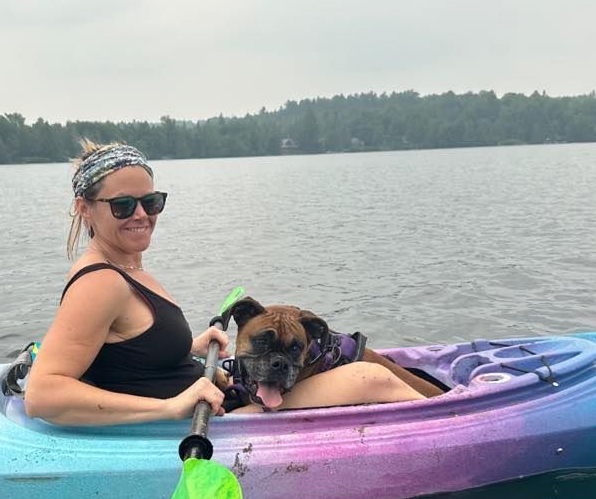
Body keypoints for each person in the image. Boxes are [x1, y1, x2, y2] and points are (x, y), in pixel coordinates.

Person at [24, 141, 425, 426]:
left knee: (326, 359)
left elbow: (125, 352)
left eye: (152, 202)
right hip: (204, 420)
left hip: (217, 400)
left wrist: (190, 348)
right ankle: (452, 420)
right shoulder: (100, 283)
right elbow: (43, 395)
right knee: (371, 378)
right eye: (123, 205)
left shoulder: (127, 268)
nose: (142, 214)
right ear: (84, 208)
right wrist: (171, 408)